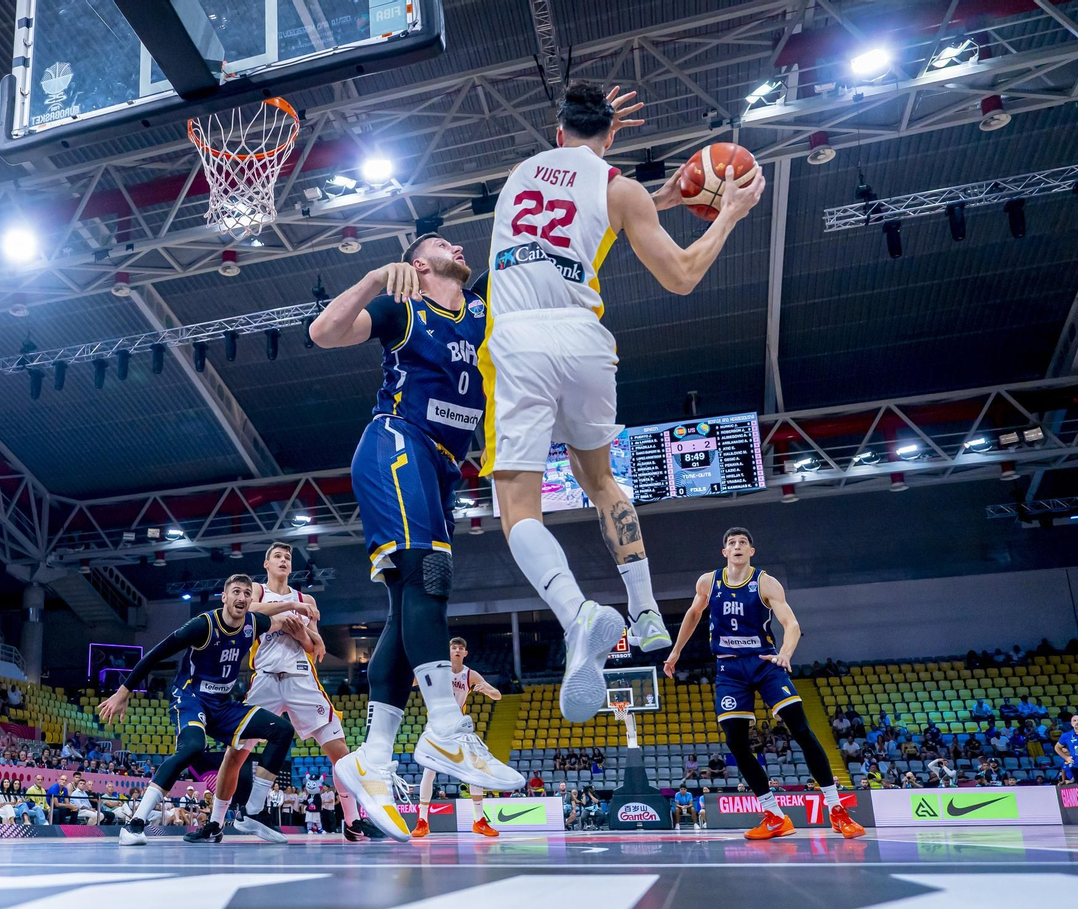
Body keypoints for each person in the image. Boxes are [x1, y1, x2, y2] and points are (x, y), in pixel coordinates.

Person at [480, 82, 766, 721]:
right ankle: (645, 611)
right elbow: (680, 274)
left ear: (558, 131)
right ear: (611, 137)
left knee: (518, 506)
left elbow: (559, 220)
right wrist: (726, 213)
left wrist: (647, 195)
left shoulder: (517, 176)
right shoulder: (622, 190)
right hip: (585, 340)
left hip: (520, 339)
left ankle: (576, 614)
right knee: (601, 479)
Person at [309, 231, 523, 841]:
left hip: (444, 464)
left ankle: (373, 758)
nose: (459, 246)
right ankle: (447, 727)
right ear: (419, 264)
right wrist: (375, 279)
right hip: (397, 440)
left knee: (410, 602)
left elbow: (541, 244)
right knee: (429, 577)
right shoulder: (401, 308)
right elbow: (323, 333)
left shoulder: (479, 306)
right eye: (443, 244)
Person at [663, 528, 863, 841]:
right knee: (736, 743)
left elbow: (791, 623)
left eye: (743, 543)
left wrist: (785, 654)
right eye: (732, 543)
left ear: (751, 551)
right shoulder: (708, 582)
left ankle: (836, 809)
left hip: (765, 662)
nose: (737, 546)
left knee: (801, 730)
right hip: (729, 668)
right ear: (724, 552)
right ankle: (774, 815)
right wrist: (676, 652)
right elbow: (693, 614)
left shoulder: (766, 583)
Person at [98, 573, 314, 845]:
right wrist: (123, 691)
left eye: (247, 593)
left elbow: (282, 622)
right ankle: (134, 824)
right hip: (191, 698)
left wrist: (309, 628)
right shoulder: (203, 625)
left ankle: (253, 812)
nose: (242, 597)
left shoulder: (253, 622)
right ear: (224, 597)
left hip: (223, 705)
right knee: (192, 748)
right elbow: (156, 654)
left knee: (282, 730)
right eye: (236, 592)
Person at [216, 540, 367, 840]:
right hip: (266, 680)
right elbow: (250, 611)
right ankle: (215, 822)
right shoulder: (257, 591)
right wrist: (289, 612)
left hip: (301, 679)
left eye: (287, 557)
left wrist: (300, 633)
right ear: (267, 564)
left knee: (341, 753)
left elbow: (314, 648)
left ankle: (352, 822)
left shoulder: (305, 598)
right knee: (234, 754)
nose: (283, 560)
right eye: (277, 556)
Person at [412, 637, 505, 838]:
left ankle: (479, 821)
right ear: (449, 651)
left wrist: (487, 689)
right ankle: (422, 821)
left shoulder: (470, 674)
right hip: (436, 725)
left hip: (458, 727)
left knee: (476, 768)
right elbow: (410, 681)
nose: (457, 650)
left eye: (460, 648)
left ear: (465, 653)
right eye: (453, 647)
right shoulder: (438, 671)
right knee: (429, 771)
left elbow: (497, 695)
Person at [1056, 713, 1078, 784]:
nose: (1077, 722)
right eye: (1074, 720)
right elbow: (1057, 747)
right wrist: (1066, 757)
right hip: (1076, 767)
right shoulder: (1066, 736)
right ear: (1071, 723)